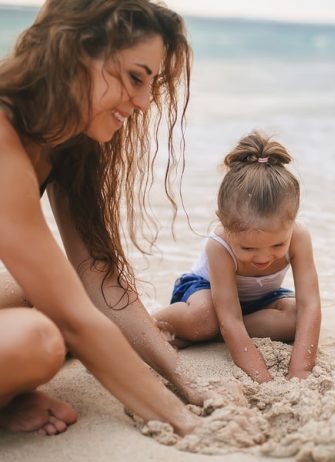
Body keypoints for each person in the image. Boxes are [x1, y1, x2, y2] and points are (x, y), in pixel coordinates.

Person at [0, 0, 235, 437]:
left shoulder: (59, 140)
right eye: (134, 78)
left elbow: (97, 278)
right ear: (74, 51)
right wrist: (183, 422)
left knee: (40, 296)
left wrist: (189, 383)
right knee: (41, 338)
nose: (145, 101)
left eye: (151, 84)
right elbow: (76, 318)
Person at [154, 131, 322, 382]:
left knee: (296, 317)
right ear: (224, 225)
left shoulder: (299, 237)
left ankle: (214, 333)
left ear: (293, 223)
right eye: (248, 249)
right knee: (206, 318)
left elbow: (311, 306)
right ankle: (153, 323)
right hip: (206, 294)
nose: (263, 257)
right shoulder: (219, 246)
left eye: (277, 244)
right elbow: (230, 318)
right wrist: (261, 377)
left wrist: (301, 371)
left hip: (258, 302)